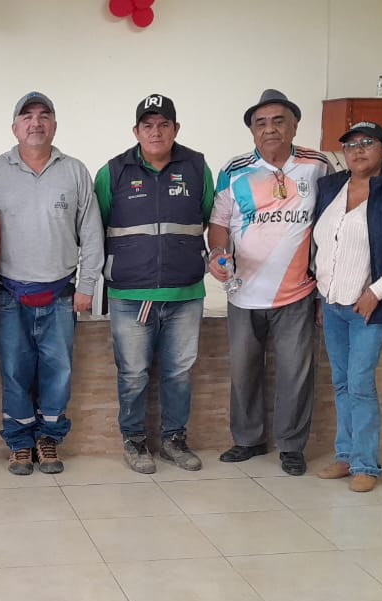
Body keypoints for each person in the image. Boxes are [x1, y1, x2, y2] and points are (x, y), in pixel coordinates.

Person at [0, 91, 104, 476]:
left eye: (44, 115)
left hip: (61, 294)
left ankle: (49, 438)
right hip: (9, 293)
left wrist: (87, 285)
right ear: (14, 127)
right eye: (27, 116)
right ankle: (19, 443)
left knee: (57, 371)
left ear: (54, 125)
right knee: (14, 370)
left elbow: (91, 232)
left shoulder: (75, 171)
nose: (36, 123)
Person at [207, 89, 333, 476]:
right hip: (244, 292)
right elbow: (219, 223)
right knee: (244, 371)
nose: (270, 129)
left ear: (294, 125)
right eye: (260, 123)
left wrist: (326, 290)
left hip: (298, 292)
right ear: (252, 131)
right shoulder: (235, 169)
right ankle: (248, 440)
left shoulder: (317, 166)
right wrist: (217, 254)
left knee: (296, 373)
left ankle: (291, 446)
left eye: (279, 121)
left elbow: (334, 221)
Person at [94, 94, 213, 474]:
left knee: (178, 373)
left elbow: (208, 217)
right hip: (131, 294)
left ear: (176, 129)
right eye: (148, 126)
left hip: (185, 293)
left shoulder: (196, 168)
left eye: (164, 125)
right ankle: (134, 441)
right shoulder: (113, 172)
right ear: (136, 131)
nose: (156, 132)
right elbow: (96, 226)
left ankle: (174, 440)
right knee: (133, 373)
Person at [311, 121, 382, 492]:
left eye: (367, 143)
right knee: (342, 382)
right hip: (332, 304)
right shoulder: (331, 188)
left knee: (360, 383)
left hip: (369, 307)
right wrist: (321, 295)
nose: (358, 150)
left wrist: (377, 291)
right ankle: (345, 456)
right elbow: (321, 245)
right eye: (350, 145)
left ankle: (366, 464)